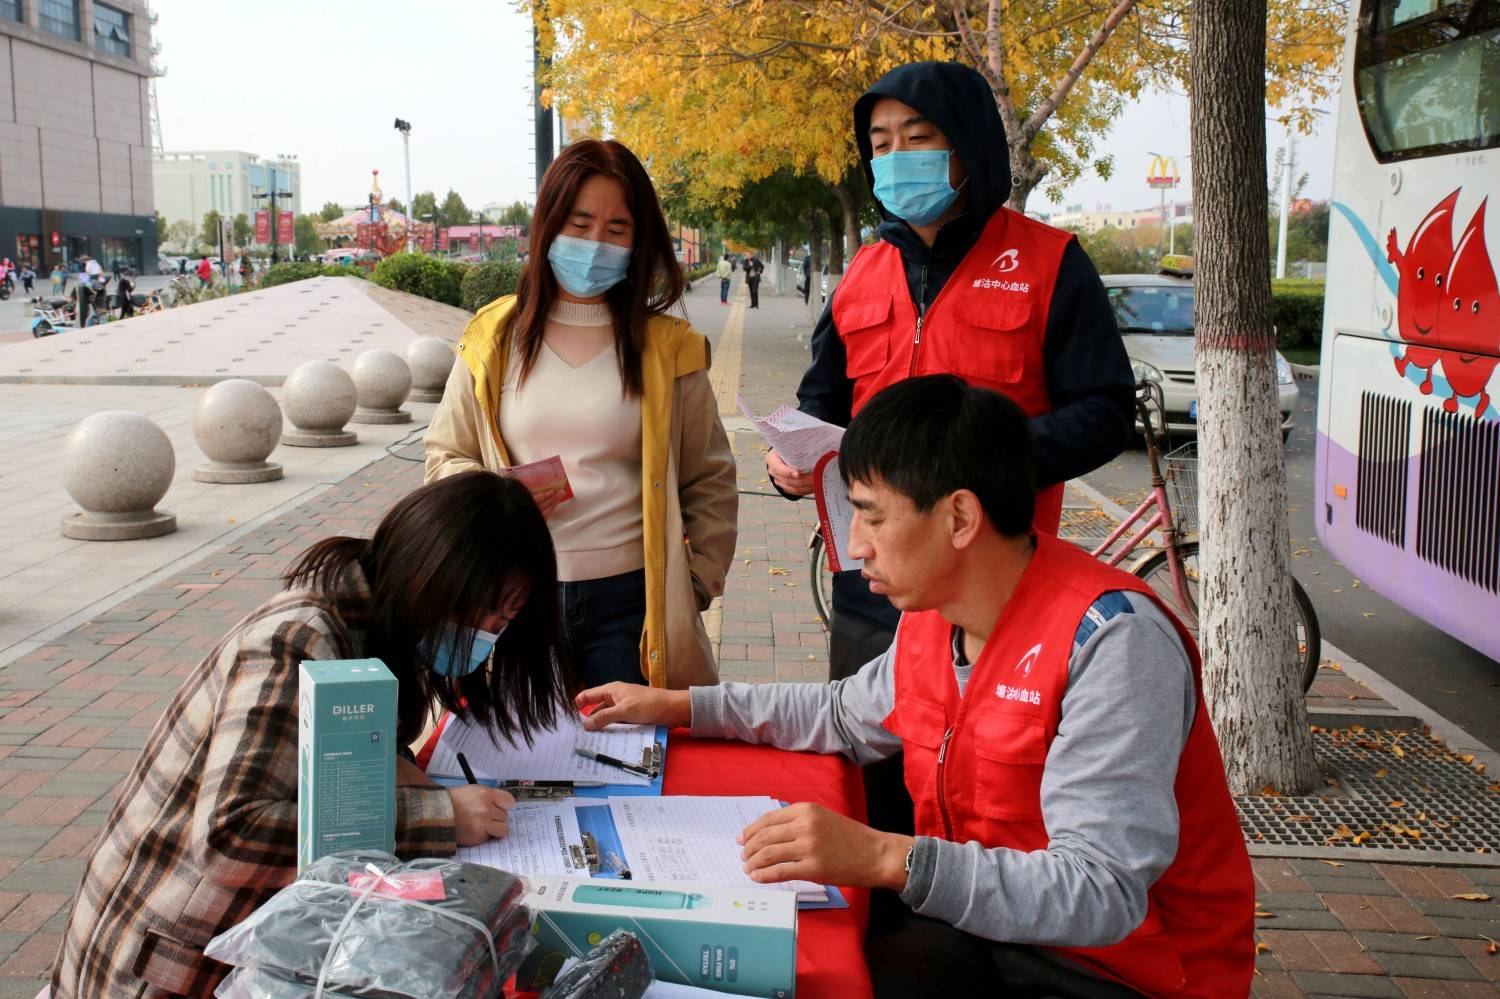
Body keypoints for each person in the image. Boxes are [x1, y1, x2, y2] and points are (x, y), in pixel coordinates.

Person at [577, 376, 1255, 999]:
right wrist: (682, 705)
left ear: (959, 518)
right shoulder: (937, 614)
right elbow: (844, 714)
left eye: (871, 514)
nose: (856, 542)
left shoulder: (1112, 642)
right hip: (984, 928)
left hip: (1115, 970)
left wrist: (881, 854)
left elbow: (1099, 891)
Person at [50, 472, 574, 998]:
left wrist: (401, 770)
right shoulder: (297, 644)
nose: (483, 632)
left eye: (503, 619)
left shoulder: (387, 625)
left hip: (247, 937)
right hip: (167, 964)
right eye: (471, 609)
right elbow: (231, 835)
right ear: (426, 573)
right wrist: (438, 817)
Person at [766, 61, 1133, 689]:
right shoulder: (862, 271)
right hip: (873, 582)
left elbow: (1104, 413)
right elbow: (820, 402)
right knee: (869, 766)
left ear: (966, 144)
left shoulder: (1050, 262)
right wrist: (789, 463)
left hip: (996, 587)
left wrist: (978, 462)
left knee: (989, 773)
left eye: (918, 137)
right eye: (881, 145)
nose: (896, 156)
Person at [425, 139, 737, 690]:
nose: (597, 244)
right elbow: (446, 455)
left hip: (632, 605)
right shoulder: (493, 338)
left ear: (639, 240)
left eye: (616, 229)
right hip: (515, 601)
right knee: (524, 766)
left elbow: (709, 477)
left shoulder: (670, 348)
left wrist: (694, 584)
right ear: (548, 225)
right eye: (581, 222)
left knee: (624, 764)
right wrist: (496, 496)